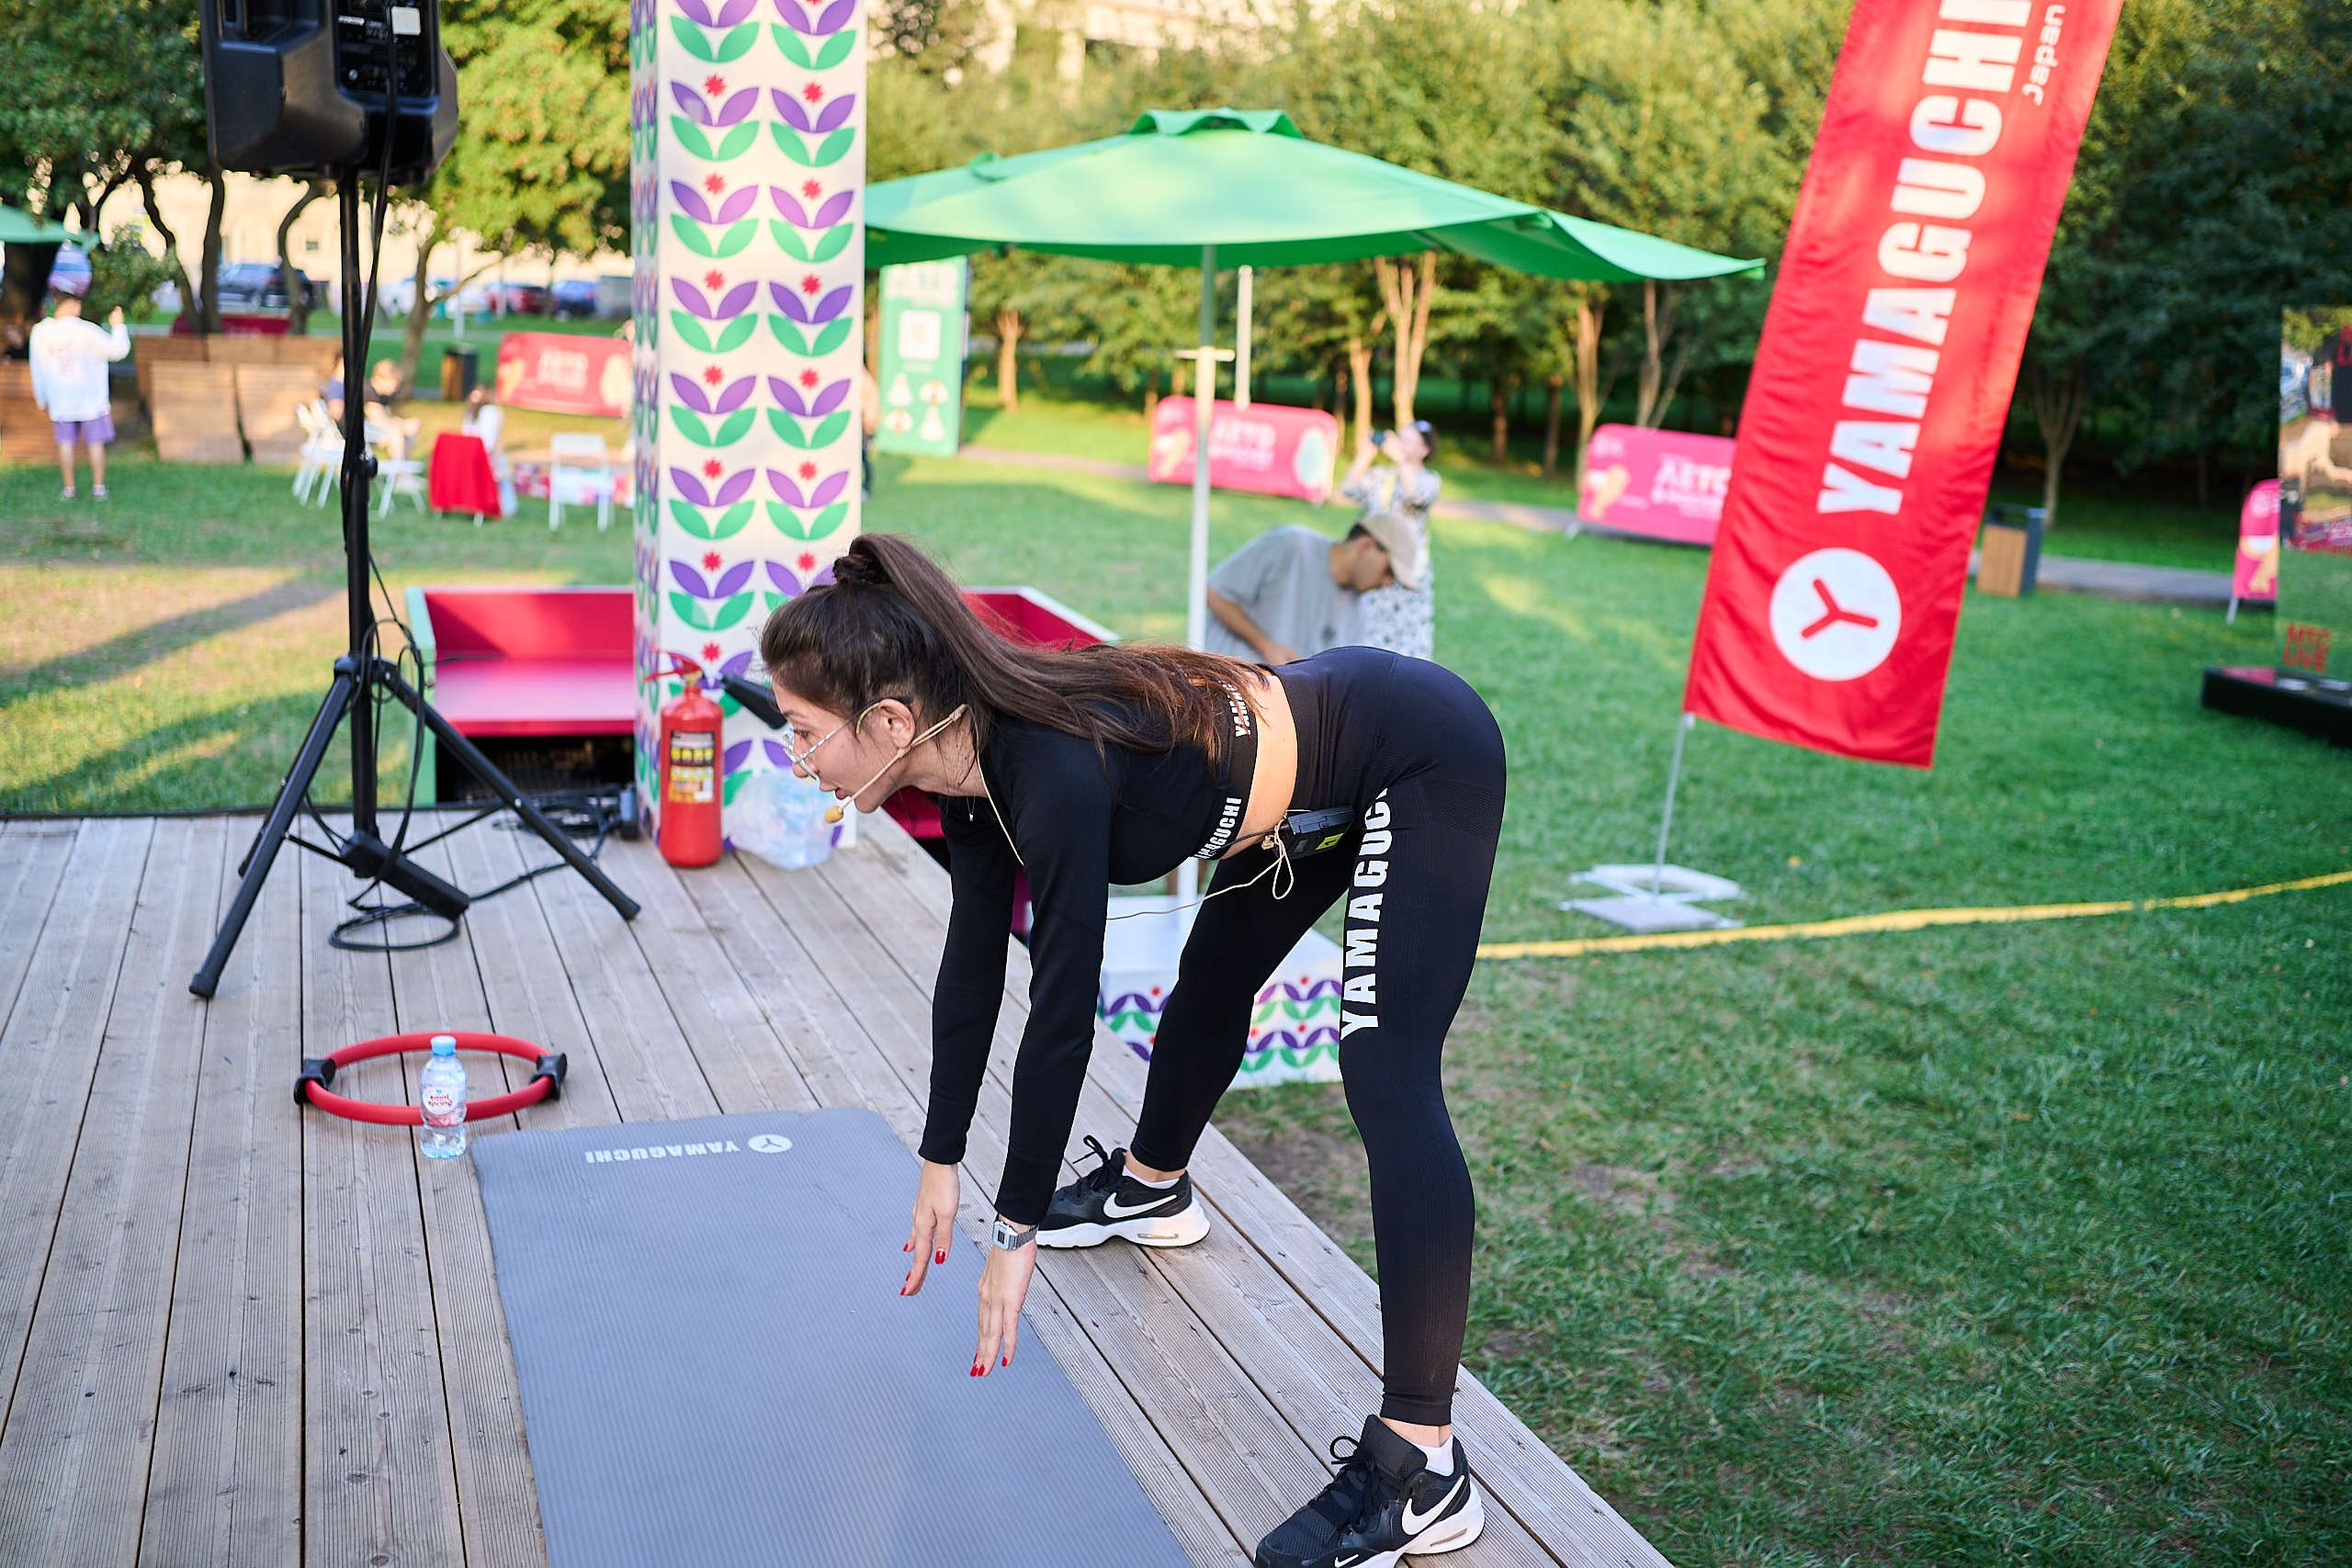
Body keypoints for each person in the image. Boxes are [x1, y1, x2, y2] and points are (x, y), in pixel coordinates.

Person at [758, 535, 1504, 1568]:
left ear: (887, 722)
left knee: (1385, 1070)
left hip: (1412, 751)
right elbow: (974, 973)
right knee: (1209, 984)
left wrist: (1012, 1228)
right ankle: (1153, 1190)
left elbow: (1061, 1016)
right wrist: (938, 1159)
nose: (796, 758)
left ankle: (1422, 1463)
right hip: (1293, 782)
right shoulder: (962, 754)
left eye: (801, 733)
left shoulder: (1047, 771)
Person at [1202, 513, 1424, 666]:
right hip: (1223, 687)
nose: (1387, 582)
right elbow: (1211, 592)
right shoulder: (1291, 544)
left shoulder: (1361, 614)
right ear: (1366, 546)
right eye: (1389, 571)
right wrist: (1265, 645)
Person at [1340, 420, 1441, 660]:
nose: (1398, 444)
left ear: (1424, 450)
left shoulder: (1429, 479)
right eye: (1398, 438)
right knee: (1366, 631)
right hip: (1371, 565)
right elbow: (1349, 489)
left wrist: (1401, 460)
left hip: (1405, 570)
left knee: (1406, 638)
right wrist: (1365, 455)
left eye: (1407, 441)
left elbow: (1415, 495)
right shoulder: (1381, 477)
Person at [29, 288, 129, 501]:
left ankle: (69, 489)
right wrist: (119, 326)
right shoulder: (86, 330)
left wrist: (42, 397)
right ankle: (98, 488)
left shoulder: (40, 333)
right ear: (74, 305)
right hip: (91, 398)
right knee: (95, 442)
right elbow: (116, 350)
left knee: (65, 443)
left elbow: (36, 367)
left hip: (60, 398)